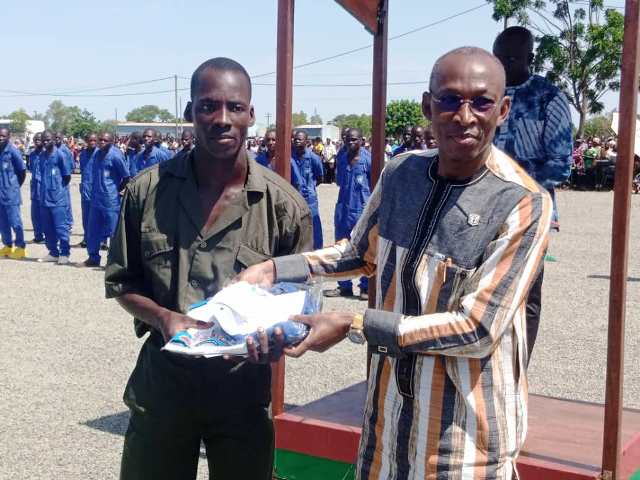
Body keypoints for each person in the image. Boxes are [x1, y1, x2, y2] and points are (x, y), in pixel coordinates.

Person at [239, 47, 551, 480]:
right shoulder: (402, 173)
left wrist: (353, 323)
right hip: (387, 422)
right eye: (449, 99)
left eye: (481, 102)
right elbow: (357, 253)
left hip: (463, 441)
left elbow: (477, 328)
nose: (464, 116)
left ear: (502, 110)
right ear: (427, 106)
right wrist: (274, 269)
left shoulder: (522, 201)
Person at [105, 57, 312, 480]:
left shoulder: (283, 207)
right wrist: (163, 317)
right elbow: (123, 282)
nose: (222, 119)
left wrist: (280, 338)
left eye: (234, 107)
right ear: (190, 112)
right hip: (163, 386)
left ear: (251, 114)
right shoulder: (147, 192)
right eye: (208, 106)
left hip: (243, 391)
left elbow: (301, 305)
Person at [492, 26, 572, 357]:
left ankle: (517, 367)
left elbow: (560, 165)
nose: (502, 65)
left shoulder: (549, 98)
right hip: (481, 209)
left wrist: (514, 186)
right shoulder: (487, 94)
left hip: (530, 211)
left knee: (525, 294)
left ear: (531, 59)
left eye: (510, 59)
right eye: (498, 58)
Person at [324, 127, 371, 300]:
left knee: (365, 250)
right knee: (341, 248)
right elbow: (339, 182)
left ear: (361, 141)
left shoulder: (369, 160)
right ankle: (344, 286)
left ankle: (366, 287)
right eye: (347, 139)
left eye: (354, 139)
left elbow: (375, 184)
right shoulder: (342, 158)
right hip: (343, 209)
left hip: (362, 209)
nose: (350, 142)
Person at [81, 133, 129, 267]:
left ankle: (113, 261)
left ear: (112, 141)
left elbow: (126, 177)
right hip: (95, 199)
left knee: (113, 232)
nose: (102, 142)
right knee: (93, 230)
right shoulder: (96, 154)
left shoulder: (116, 155)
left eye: (105, 140)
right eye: (100, 140)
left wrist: (115, 190)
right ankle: (93, 258)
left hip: (110, 201)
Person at [37, 131, 72, 264]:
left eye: (48, 140)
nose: (45, 142)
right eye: (44, 140)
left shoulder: (60, 155)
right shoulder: (42, 156)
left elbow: (67, 176)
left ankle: (64, 253)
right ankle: (53, 252)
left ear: (53, 139)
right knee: (47, 228)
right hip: (44, 198)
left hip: (58, 198)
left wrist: (58, 189)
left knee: (61, 227)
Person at [291, 129, 324, 249]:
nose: (296, 141)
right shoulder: (290, 157)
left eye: (300, 139)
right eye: (295, 139)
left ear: (306, 141)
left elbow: (320, 177)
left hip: (310, 199)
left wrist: (310, 187)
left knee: (313, 224)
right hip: (294, 197)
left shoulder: (313, 158)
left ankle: (317, 249)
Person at [0, 127, 27, 259]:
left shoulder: (13, 151)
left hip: (11, 193)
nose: (1, 138)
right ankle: (7, 245)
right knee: (2, 222)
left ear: (9, 137)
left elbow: (22, 171)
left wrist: (14, 186)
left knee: (15, 221)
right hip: (0, 193)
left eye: (3, 136)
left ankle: (20, 247)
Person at [78, 133, 97, 248]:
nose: (92, 142)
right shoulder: (82, 155)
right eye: (90, 140)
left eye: (94, 140)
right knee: (86, 216)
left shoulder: (100, 154)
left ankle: (102, 240)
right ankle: (86, 238)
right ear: (86, 141)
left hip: (98, 189)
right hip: (85, 189)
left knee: (99, 216)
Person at [55, 132, 74, 230]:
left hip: (63, 179)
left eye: (59, 137)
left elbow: (71, 165)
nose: (57, 139)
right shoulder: (53, 149)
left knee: (66, 201)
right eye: (55, 137)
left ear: (62, 138)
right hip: (55, 180)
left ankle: (68, 222)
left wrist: (65, 175)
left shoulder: (65, 150)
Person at [28, 132, 45, 244]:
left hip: (45, 188)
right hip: (34, 188)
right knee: (35, 214)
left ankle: (49, 236)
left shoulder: (47, 154)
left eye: (39, 139)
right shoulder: (32, 155)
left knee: (46, 214)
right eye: (35, 139)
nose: (37, 141)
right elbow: (30, 169)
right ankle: (38, 236)